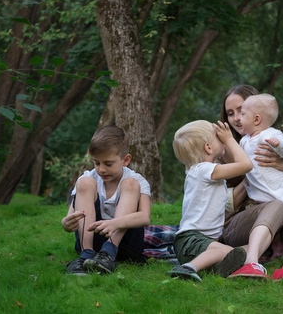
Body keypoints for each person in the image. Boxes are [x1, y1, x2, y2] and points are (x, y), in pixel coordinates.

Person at [220, 85, 283, 281]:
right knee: (275, 205)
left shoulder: (280, 141)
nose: (237, 118)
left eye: (241, 110)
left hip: (281, 218)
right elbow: (223, 206)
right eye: (231, 113)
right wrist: (250, 172)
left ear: (258, 116)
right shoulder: (223, 148)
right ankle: (251, 262)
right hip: (241, 226)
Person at [167, 120, 253, 281]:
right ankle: (188, 268)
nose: (223, 141)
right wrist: (229, 139)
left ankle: (216, 268)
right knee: (229, 252)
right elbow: (246, 165)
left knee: (249, 250)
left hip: (200, 243)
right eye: (218, 138)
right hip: (191, 240)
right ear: (208, 147)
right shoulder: (206, 170)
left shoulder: (199, 170)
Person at [61, 125, 152, 275]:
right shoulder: (89, 178)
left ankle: (109, 253)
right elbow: (71, 215)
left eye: (108, 164)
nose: (101, 169)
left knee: (130, 184)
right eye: (97, 163)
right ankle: (86, 254)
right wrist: (65, 224)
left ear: (126, 160)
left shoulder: (137, 181)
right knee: (84, 182)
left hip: (126, 244)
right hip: (93, 241)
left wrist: (115, 223)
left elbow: (144, 217)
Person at [238, 93, 283, 211]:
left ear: (256, 119)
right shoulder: (244, 140)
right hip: (259, 194)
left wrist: (279, 144)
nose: (239, 118)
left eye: (243, 114)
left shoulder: (270, 134)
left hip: (278, 190)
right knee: (268, 214)